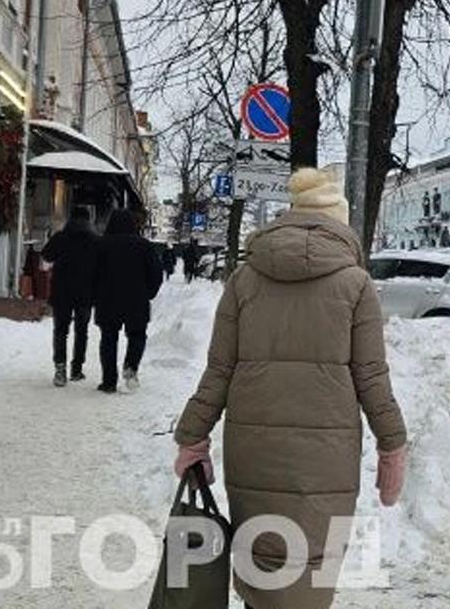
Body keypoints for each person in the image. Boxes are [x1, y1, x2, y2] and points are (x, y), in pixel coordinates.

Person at [173, 168, 407, 609]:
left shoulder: (245, 278)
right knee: (310, 569)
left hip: (253, 448)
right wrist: (392, 446)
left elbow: (218, 370)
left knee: (261, 557)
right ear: (340, 222)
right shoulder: (356, 285)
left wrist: (192, 437)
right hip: (326, 458)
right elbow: (372, 377)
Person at [93, 209, 163, 394]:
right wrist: (148, 293)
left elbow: (92, 274)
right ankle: (131, 367)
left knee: (108, 338)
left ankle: (108, 382)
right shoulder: (144, 246)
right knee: (137, 336)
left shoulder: (101, 245)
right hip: (136, 300)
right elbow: (156, 274)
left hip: (108, 300)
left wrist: (94, 295)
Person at [40, 206, 99, 387]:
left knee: (61, 331)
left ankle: (60, 369)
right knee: (82, 332)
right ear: (88, 220)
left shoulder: (60, 237)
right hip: (85, 293)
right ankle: (76, 369)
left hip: (62, 292)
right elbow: (101, 266)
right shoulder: (95, 240)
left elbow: (46, 255)